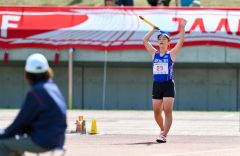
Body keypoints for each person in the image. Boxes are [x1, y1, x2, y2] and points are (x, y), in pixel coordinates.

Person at [0, 53, 67, 155]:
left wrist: (3, 134)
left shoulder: (36, 92)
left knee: (2, 143)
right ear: (47, 71)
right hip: (59, 139)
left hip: (42, 141)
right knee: (16, 141)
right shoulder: (53, 88)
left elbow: (21, 121)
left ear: (28, 74)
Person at [143, 19, 187, 143]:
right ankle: (162, 129)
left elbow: (181, 42)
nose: (161, 40)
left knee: (167, 111)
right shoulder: (153, 54)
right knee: (156, 113)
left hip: (168, 85)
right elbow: (144, 41)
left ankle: (164, 135)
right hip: (156, 85)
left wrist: (182, 27)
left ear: (168, 42)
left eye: (164, 38)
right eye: (159, 38)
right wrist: (153, 30)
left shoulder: (171, 54)